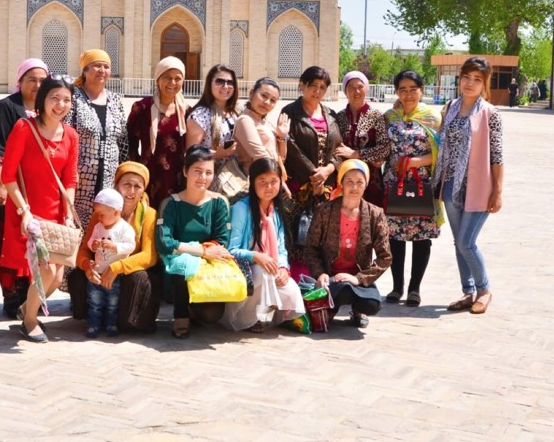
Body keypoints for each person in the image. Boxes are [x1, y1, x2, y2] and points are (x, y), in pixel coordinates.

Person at [0, 77, 79, 343]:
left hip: (56, 214)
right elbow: (8, 175)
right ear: (43, 99)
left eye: (66, 100)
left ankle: (27, 309)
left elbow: (70, 180)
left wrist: (67, 214)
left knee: (56, 276)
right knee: (47, 271)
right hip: (28, 212)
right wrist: (24, 210)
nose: (60, 105)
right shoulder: (24, 128)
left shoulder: (71, 135)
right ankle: (30, 321)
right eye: (55, 98)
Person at [434, 57, 504, 315]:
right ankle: (468, 291)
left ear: (484, 84)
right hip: (450, 184)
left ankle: (484, 290)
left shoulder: (490, 114)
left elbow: (497, 155)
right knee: (458, 242)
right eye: (466, 77)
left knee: (466, 242)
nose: (470, 83)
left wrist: (497, 192)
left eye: (477, 79)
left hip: (479, 186)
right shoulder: (450, 107)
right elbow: (439, 138)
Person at [70, 161, 163, 333]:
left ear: (143, 190)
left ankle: (127, 320)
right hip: (102, 268)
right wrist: (87, 266)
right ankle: (95, 318)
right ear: (116, 186)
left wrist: (117, 268)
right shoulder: (100, 213)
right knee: (77, 275)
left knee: (141, 278)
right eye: (126, 184)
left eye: (137, 186)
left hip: (127, 274)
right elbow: (85, 249)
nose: (131, 191)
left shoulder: (149, 214)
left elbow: (149, 256)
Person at [0, 58, 48, 318]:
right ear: (20, 81)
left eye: (42, 81)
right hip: (14, 185)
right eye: (31, 79)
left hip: (39, 186)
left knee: (35, 238)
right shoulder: (8, 106)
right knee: (13, 241)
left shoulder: (49, 106)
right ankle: (12, 299)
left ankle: (31, 297)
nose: (37, 85)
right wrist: (1, 184)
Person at [156, 145, 234, 339]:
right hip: (177, 274)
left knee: (211, 315)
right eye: (197, 171)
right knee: (182, 262)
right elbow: (164, 243)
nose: (203, 177)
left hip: (208, 270)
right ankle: (180, 315)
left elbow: (222, 240)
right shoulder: (171, 204)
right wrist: (201, 251)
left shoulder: (219, 203)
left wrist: (201, 253)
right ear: (185, 171)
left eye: (208, 172)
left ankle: (194, 309)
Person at [304, 160, 392, 328]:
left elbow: (385, 257)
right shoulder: (324, 210)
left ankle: (358, 310)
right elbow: (311, 248)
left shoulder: (375, 214)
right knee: (341, 289)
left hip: (357, 279)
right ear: (341, 183)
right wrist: (320, 274)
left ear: (366, 184)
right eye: (349, 181)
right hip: (332, 277)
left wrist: (359, 278)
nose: (354, 187)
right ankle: (331, 308)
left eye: (360, 182)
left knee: (372, 304)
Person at [222, 158, 305, 333]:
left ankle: (272, 316)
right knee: (263, 272)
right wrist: (256, 256)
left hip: (269, 266)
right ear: (252, 182)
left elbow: (281, 249)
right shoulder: (241, 209)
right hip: (245, 268)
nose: (269, 187)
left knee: (290, 289)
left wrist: (283, 268)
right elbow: (231, 250)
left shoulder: (277, 211)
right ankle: (246, 319)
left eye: (274, 181)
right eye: (262, 182)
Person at [383, 70, 442, 308]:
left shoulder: (432, 118)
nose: (408, 95)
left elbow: (442, 152)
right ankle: (397, 287)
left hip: (422, 184)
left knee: (422, 237)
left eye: (413, 89)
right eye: (403, 90)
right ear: (397, 92)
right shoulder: (390, 116)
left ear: (421, 90)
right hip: (394, 183)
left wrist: (415, 162)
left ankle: (414, 288)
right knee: (394, 236)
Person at [281, 66, 346, 252]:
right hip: (299, 185)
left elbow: (339, 148)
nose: (317, 91)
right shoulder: (290, 112)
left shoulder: (331, 114)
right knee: (298, 233)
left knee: (324, 236)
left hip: (327, 186)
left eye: (322, 87)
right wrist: (314, 176)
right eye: (313, 86)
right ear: (302, 85)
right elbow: (291, 147)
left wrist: (329, 169)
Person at [66, 49, 128, 227]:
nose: (102, 70)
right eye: (97, 66)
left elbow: (123, 141)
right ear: (85, 70)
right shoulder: (73, 98)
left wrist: (123, 173)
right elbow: (66, 136)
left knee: (104, 226)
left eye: (106, 66)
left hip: (109, 178)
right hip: (80, 179)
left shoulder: (115, 100)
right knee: (77, 226)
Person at [126, 56, 189, 209]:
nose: (172, 83)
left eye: (177, 78)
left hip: (178, 179)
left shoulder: (186, 111)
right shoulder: (142, 107)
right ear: (158, 79)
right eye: (167, 77)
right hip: (148, 177)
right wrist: (135, 173)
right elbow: (130, 143)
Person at [81, 188, 136, 338]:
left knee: (113, 302)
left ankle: (111, 324)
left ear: (116, 213)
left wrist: (115, 247)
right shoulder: (98, 227)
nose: (98, 217)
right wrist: (94, 245)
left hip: (114, 275)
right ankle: (93, 325)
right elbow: (90, 242)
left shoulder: (125, 228)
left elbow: (130, 246)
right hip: (98, 272)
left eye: (101, 214)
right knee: (94, 301)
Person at [335, 71, 390, 207]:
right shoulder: (339, 117)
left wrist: (357, 154)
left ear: (367, 88)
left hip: (371, 180)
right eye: (351, 87)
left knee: (369, 215)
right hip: (345, 177)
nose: (357, 91)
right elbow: (335, 147)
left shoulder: (376, 116)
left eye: (360, 86)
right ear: (345, 91)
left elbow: (385, 148)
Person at [185, 64, 240, 180]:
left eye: (230, 82)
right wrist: (217, 154)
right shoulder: (200, 115)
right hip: (208, 179)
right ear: (209, 83)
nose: (226, 86)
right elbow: (191, 153)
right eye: (220, 81)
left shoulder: (238, 113)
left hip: (236, 177)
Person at [233, 77, 290, 174]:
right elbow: (261, 157)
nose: (267, 102)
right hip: (257, 179)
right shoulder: (245, 120)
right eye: (264, 96)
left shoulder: (266, 123)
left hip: (271, 176)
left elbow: (281, 158)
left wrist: (282, 136)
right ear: (252, 93)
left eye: (273, 100)